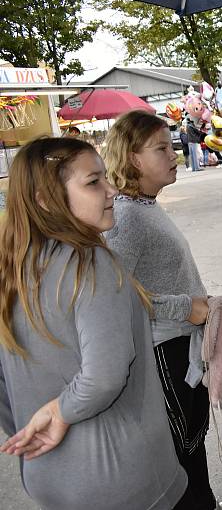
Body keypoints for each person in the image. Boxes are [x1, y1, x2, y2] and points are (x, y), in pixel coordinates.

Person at [0, 137, 189, 509]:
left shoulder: (14, 268)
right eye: (93, 182)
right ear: (44, 199)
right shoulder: (90, 263)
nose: (112, 190)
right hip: (120, 477)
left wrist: (29, 430)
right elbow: (104, 376)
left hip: (47, 473)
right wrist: (59, 411)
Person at [102, 111, 222, 510]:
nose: (175, 154)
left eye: (172, 145)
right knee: (181, 452)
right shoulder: (126, 218)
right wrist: (188, 308)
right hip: (163, 355)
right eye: (161, 148)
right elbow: (118, 297)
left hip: (180, 346)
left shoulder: (143, 206)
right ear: (133, 159)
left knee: (191, 444)